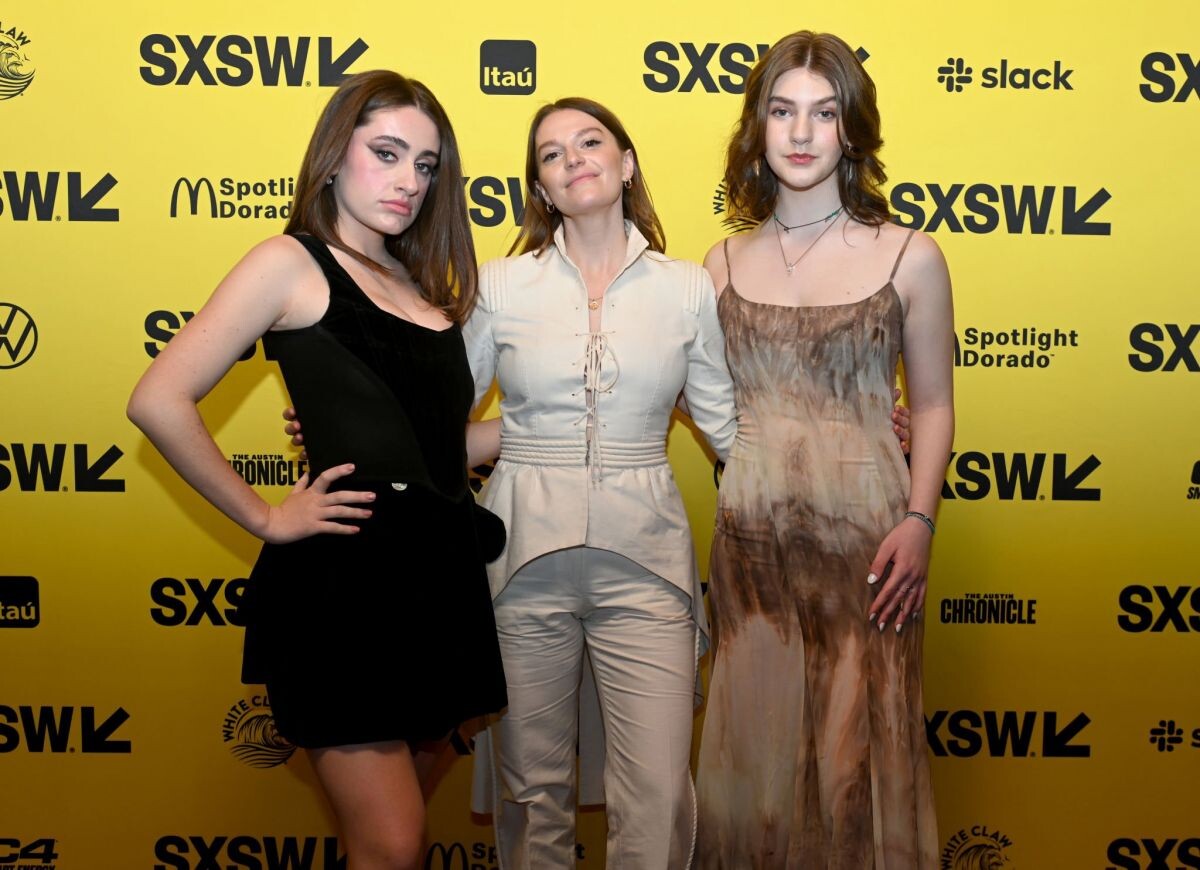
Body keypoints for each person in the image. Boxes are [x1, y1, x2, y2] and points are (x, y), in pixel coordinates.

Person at [127, 70, 506, 870]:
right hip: (345, 591)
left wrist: (549, 428)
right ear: (334, 157)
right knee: (394, 843)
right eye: (387, 153)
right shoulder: (290, 262)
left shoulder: (417, 284)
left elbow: (436, 450)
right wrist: (266, 517)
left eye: (425, 165)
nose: (409, 181)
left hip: (437, 588)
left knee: (386, 844)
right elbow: (159, 399)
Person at [694, 31, 954, 870]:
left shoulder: (911, 256)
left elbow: (935, 405)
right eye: (782, 111)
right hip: (751, 558)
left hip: (872, 553)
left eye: (824, 112)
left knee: (855, 768)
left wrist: (920, 520)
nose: (801, 133)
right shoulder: (717, 265)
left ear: (852, 130)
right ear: (757, 128)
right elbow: (675, 395)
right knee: (755, 775)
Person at [460, 97, 738, 869]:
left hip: (647, 568)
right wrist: (351, 426)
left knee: (657, 794)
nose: (573, 159)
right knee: (532, 794)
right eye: (551, 154)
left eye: (589, 142)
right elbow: (436, 421)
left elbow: (730, 430)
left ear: (627, 164)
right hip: (522, 566)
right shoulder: (498, 286)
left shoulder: (688, 288)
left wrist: (850, 437)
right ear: (540, 188)